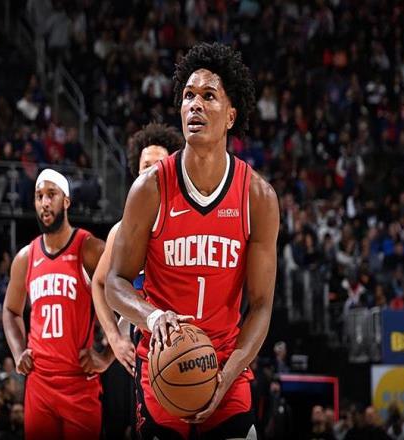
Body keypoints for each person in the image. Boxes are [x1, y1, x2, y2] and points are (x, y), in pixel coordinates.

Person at [106, 42, 279, 439]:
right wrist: (152, 317)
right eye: (188, 96)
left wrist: (227, 375)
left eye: (208, 96)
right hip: (162, 363)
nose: (195, 105)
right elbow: (115, 282)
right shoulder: (149, 188)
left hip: (227, 366)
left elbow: (261, 305)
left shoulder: (258, 197)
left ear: (231, 115)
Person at [2, 168, 114, 439]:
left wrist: (107, 356)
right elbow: (10, 310)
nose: (44, 202)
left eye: (51, 194)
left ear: (66, 201)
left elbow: (124, 296)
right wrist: (18, 353)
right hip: (39, 383)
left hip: (79, 381)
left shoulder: (89, 248)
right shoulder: (26, 257)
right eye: (39, 196)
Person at [92, 122, 184, 439]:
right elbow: (99, 283)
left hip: (181, 344)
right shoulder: (122, 230)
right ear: (136, 174)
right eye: (146, 166)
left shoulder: (187, 224)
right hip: (139, 346)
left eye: (160, 164)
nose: (153, 171)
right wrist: (114, 339)